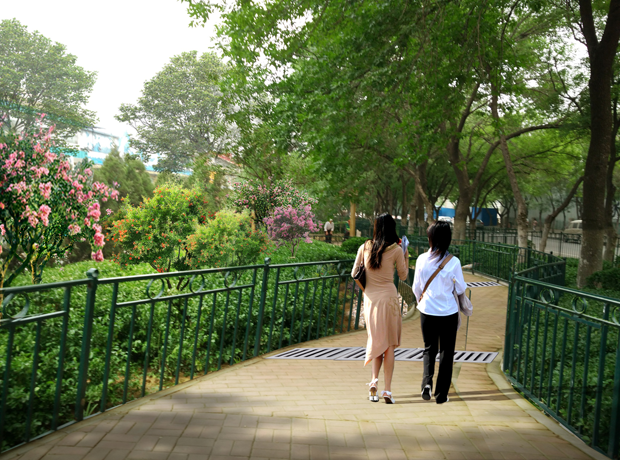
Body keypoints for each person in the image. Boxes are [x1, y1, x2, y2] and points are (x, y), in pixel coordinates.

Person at [351, 213, 409, 404]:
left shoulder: (364, 247)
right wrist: (406, 255)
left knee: (376, 341)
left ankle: (373, 382)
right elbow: (403, 276)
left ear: (376, 227)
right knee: (389, 344)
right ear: (392, 228)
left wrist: (367, 289)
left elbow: (354, 273)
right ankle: (388, 391)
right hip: (389, 300)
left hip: (371, 299)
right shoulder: (396, 250)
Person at [412, 221, 467, 404]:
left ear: (431, 238)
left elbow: (416, 287)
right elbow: (460, 288)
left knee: (429, 349)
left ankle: (426, 383)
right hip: (448, 313)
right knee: (446, 352)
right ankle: (441, 394)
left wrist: (423, 301)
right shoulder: (454, 262)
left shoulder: (421, 259)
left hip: (427, 311)